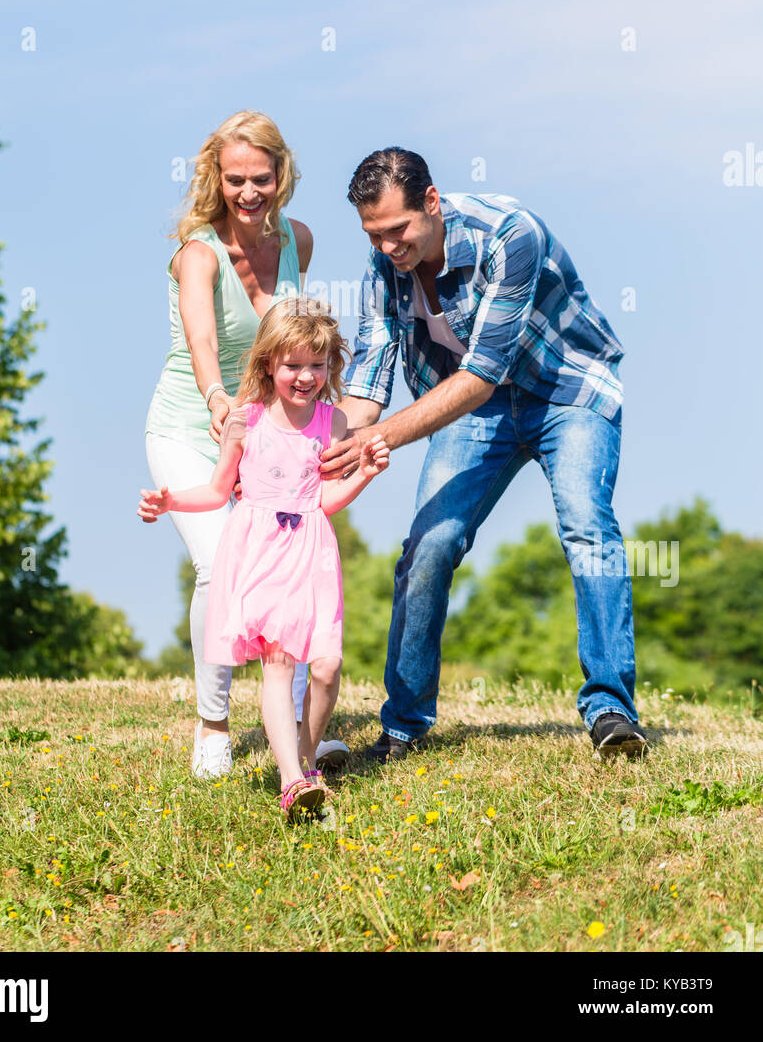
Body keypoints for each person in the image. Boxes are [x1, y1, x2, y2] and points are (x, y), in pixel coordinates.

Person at [320, 147, 647, 763]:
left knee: (587, 529)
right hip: (476, 410)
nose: (388, 246)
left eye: (398, 230)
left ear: (433, 202)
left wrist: (382, 437)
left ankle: (610, 710)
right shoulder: (384, 264)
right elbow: (369, 376)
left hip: (565, 390)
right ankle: (403, 727)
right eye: (374, 234)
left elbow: (482, 373)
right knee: (429, 547)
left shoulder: (510, 234)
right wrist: (328, 446)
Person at [144, 110, 348, 777]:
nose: (249, 192)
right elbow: (204, 342)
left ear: (280, 174)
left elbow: (294, 338)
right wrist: (218, 402)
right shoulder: (198, 253)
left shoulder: (299, 242)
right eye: (235, 180)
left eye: (261, 178)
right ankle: (212, 724)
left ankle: (294, 729)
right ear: (217, 178)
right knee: (219, 566)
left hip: (265, 437)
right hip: (189, 426)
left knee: (287, 574)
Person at [139, 299, 390, 820]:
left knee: (326, 666)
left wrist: (364, 471)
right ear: (268, 363)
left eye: (317, 366)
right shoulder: (244, 422)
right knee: (277, 664)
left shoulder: (333, 422)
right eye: (293, 365)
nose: (305, 377)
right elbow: (216, 492)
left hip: (312, 553)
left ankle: (303, 755)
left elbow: (325, 500)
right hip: (258, 552)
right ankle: (293, 781)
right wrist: (170, 502)